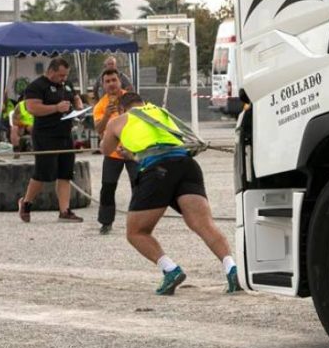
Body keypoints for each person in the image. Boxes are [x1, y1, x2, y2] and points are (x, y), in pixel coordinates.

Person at [100, 92, 241, 294]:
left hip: (158, 171)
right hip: (186, 165)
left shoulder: (119, 120)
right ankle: (231, 268)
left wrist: (112, 133)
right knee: (204, 224)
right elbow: (164, 145)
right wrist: (133, 155)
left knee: (136, 232)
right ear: (144, 103)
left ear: (122, 109)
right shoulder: (162, 113)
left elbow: (106, 150)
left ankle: (170, 269)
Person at [17, 57, 84, 223]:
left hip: (65, 133)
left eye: (66, 75)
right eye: (61, 75)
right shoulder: (36, 86)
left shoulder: (66, 84)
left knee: (65, 173)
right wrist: (56, 108)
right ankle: (26, 203)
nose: (63, 78)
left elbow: (75, 97)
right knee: (43, 173)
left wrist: (79, 106)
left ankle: (64, 211)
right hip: (45, 135)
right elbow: (32, 108)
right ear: (51, 71)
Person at [93, 68, 136, 235]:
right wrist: (106, 115)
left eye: (114, 80)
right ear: (103, 85)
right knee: (108, 187)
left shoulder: (131, 99)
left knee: (138, 185)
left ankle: (140, 221)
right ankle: (106, 222)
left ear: (120, 82)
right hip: (112, 152)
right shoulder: (100, 105)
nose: (111, 84)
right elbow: (98, 129)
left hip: (133, 149)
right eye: (107, 81)